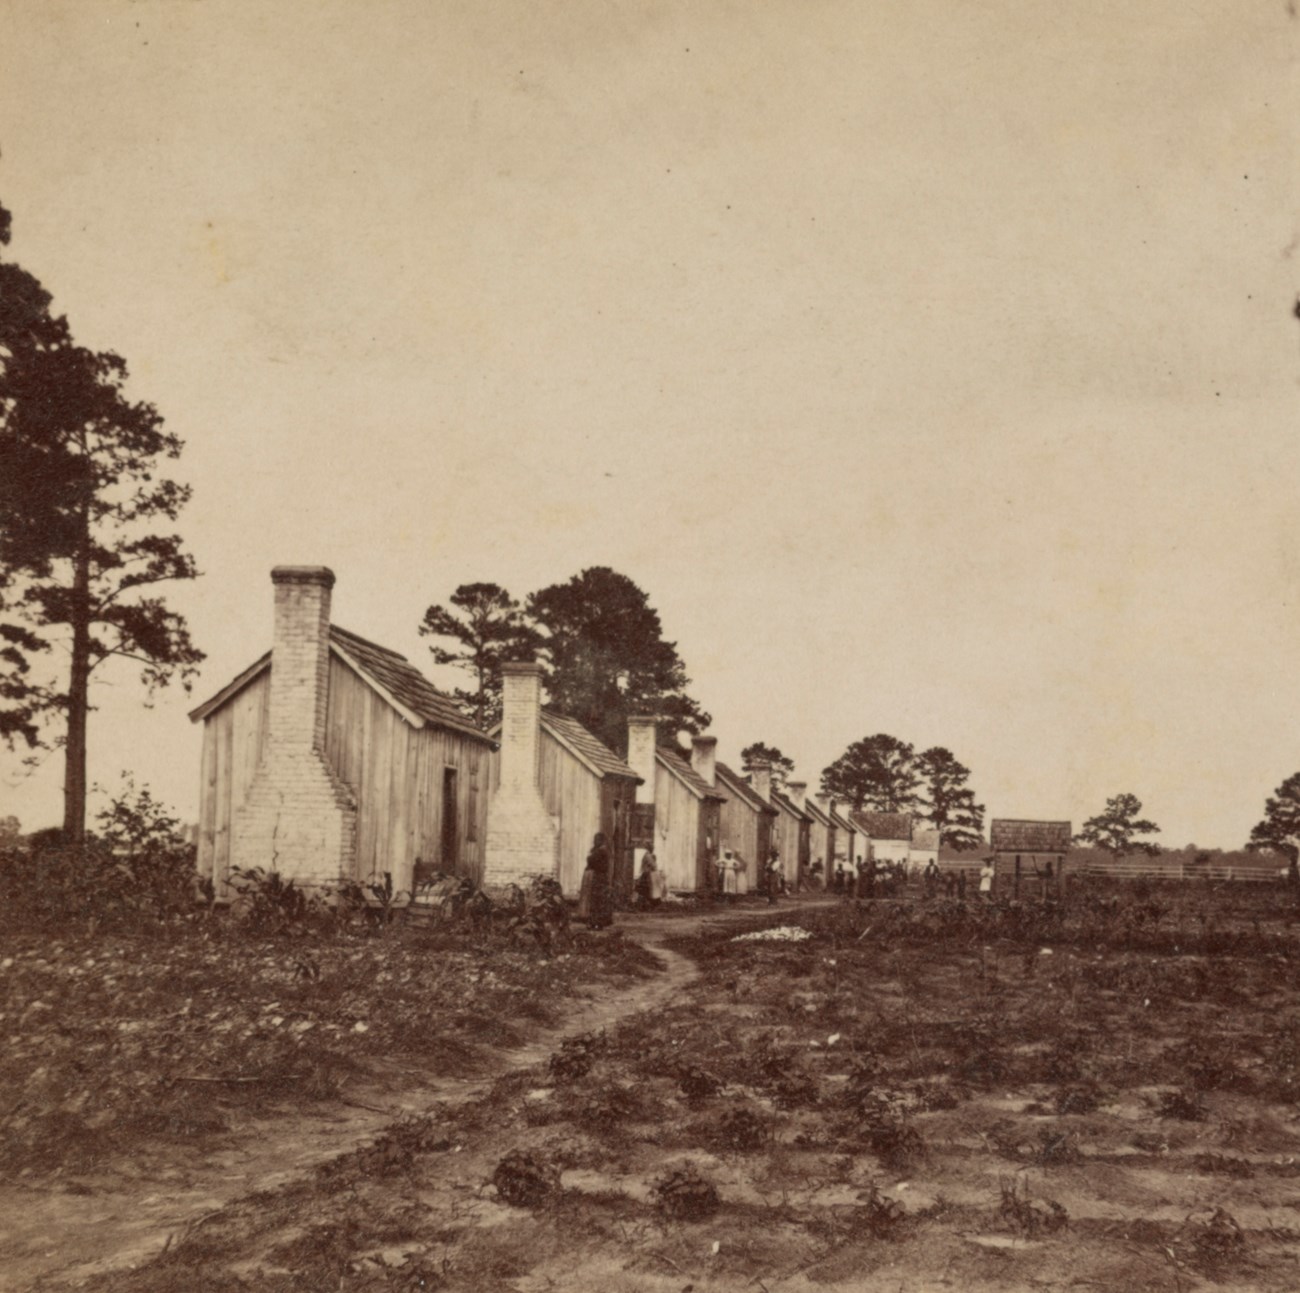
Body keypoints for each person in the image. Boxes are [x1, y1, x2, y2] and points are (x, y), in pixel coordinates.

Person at [577, 832, 614, 929]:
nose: (594, 842)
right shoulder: (599, 851)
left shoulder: (602, 851)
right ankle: (595, 922)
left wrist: (590, 860)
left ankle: (597, 922)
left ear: (601, 841)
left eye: (596, 840)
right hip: (597, 878)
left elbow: (600, 865)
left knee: (598, 901)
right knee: (595, 901)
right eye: (594, 839)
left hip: (599, 879)